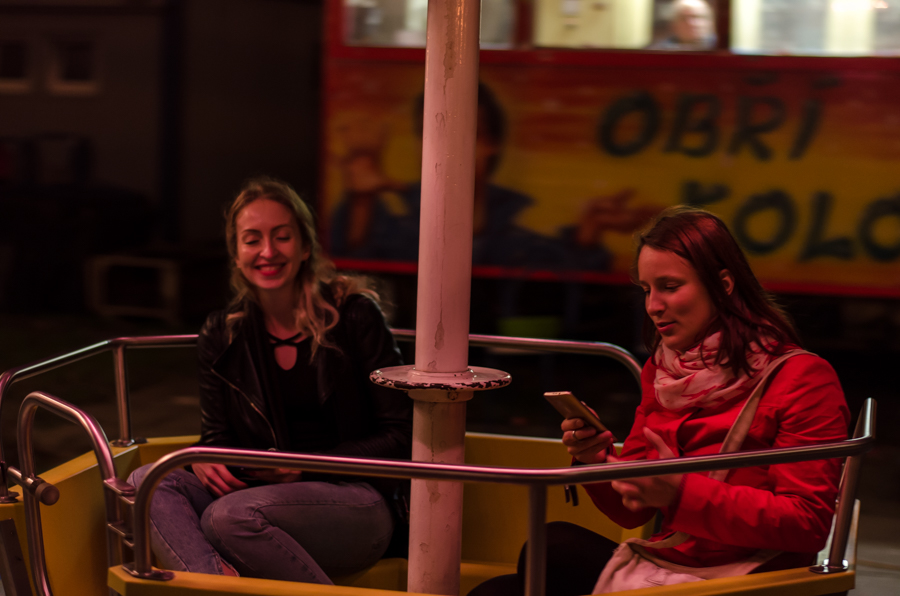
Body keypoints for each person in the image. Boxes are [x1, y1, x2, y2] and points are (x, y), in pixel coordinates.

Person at [470, 206, 849, 595]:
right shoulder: (663, 370)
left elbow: (808, 523)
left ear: (723, 285)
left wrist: (680, 493)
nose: (653, 306)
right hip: (673, 562)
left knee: (552, 552)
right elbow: (631, 511)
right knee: (518, 571)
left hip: (752, 580)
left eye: (669, 286)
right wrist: (596, 460)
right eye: (647, 290)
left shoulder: (802, 377)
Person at [129, 177, 412, 583]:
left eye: (281, 236)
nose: (267, 251)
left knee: (229, 517)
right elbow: (219, 435)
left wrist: (303, 468)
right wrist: (206, 455)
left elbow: (400, 435)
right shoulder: (221, 332)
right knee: (147, 482)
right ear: (236, 254)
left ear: (305, 246)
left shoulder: (354, 315)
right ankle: (219, 586)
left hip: (358, 499)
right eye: (252, 240)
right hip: (257, 497)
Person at [330, 83, 656, 271]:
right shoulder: (397, 229)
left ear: (491, 145)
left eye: (465, 136)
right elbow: (352, 265)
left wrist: (589, 231)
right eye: (431, 136)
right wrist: (361, 201)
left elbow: (560, 277)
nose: (446, 151)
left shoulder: (518, 235)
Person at [649, 0, 717, 51]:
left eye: (698, 17)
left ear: (710, 21)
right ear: (673, 23)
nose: (692, 23)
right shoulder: (657, 51)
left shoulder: (721, 48)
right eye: (684, 18)